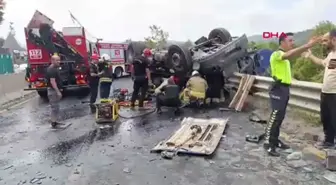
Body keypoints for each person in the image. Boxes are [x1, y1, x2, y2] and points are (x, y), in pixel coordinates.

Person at [264, 33, 322, 156]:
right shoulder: (277, 54)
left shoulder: (285, 59)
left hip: (285, 89)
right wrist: (307, 45)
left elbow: (292, 55)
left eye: (293, 40)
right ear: (282, 43)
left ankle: (275, 140)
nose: (292, 43)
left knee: (280, 117)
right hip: (278, 89)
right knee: (275, 116)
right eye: (290, 40)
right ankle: (268, 143)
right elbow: (290, 54)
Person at [302, 30, 336, 149]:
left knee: (334, 120)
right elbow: (322, 63)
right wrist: (310, 55)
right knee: (326, 118)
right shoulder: (331, 54)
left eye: (325, 40)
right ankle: (329, 141)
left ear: (334, 40)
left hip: (334, 94)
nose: (323, 43)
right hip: (326, 93)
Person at [46, 53, 63, 128]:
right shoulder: (51, 69)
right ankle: (53, 123)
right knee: (54, 107)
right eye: (57, 60)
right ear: (52, 61)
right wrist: (58, 91)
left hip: (53, 91)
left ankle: (55, 121)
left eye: (59, 60)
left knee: (56, 107)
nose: (59, 62)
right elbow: (53, 82)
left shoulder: (54, 68)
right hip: (52, 91)